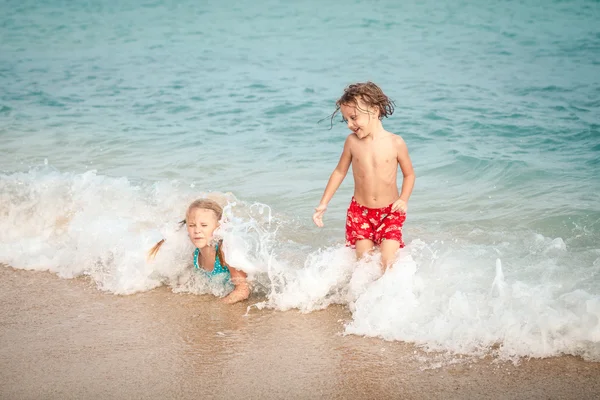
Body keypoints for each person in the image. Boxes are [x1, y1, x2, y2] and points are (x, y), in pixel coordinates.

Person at [313, 82, 415, 272]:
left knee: (388, 261)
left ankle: (389, 296)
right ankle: (362, 295)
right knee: (364, 263)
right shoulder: (352, 143)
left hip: (390, 212)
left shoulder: (396, 143)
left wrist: (403, 199)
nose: (350, 125)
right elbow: (339, 172)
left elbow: (409, 175)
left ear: (375, 110)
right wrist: (323, 203)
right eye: (346, 120)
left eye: (353, 118)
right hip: (360, 212)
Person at [148, 198, 250, 304]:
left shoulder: (225, 252)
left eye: (204, 225)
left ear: (218, 227)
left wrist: (220, 305)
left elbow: (243, 290)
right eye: (192, 225)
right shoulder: (196, 255)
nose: (197, 231)